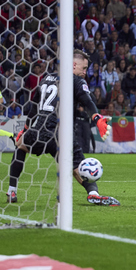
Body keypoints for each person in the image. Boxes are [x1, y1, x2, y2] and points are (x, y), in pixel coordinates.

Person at [7, 50, 119, 206]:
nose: (85, 73)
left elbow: (34, 107)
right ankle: (93, 193)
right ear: (73, 65)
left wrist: (25, 129)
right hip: (63, 133)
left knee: (20, 147)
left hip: (41, 129)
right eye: (84, 68)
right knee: (77, 166)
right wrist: (97, 117)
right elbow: (88, 102)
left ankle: (12, 190)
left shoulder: (47, 78)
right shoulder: (76, 80)